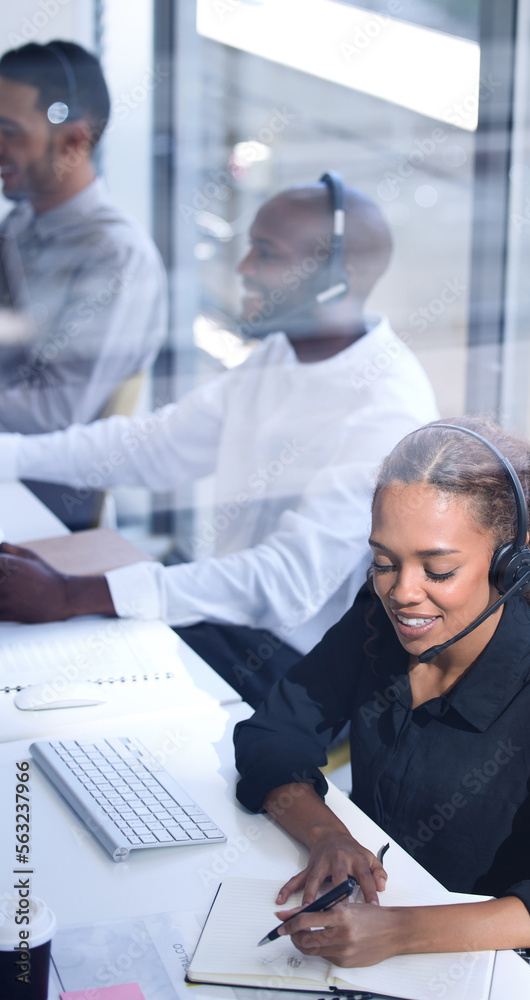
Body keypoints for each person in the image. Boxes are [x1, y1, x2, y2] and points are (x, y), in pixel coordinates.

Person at [0, 176, 439, 705]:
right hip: (222, 619)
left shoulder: (387, 411)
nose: (244, 269)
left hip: (296, 666)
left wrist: (74, 593)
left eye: (266, 253)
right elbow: (156, 445)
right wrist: (12, 454)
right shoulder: (284, 352)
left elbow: (285, 587)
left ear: (334, 279)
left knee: (61, 690)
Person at [233, 417, 530, 984]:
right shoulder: (379, 622)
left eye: (438, 569)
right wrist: (329, 836)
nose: (402, 592)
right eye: (384, 562)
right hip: (373, 932)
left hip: (485, 967)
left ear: (508, 568)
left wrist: (400, 932)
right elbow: (271, 734)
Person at [0, 41, 167, 434]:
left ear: (74, 142)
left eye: (9, 132)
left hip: (35, 483)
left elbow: (53, 413)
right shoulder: (19, 223)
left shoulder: (115, 257)